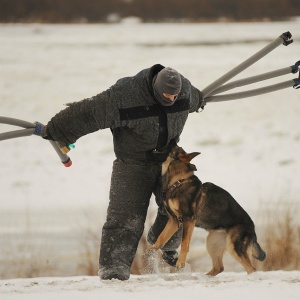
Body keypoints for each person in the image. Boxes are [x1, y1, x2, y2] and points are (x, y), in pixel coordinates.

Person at [34, 64, 204, 280]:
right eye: (166, 95)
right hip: (132, 163)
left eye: (175, 96)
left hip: (168, 160)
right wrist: (57, 129)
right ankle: (113, 271)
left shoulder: (185, 91)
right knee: (125, 219)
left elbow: (196, 98)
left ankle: (165, 244)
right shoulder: (125, 95)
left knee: (181, 207)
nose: (171, 99)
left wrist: (201, 100)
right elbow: (91, 111)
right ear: (154, 87)